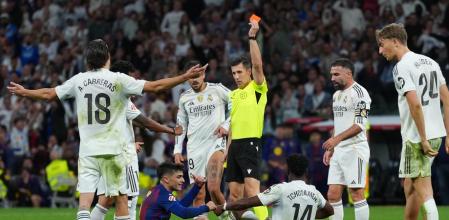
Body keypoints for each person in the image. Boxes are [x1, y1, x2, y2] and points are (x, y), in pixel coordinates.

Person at [7, 39, 206, 220]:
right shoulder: (118, 79)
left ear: (87, 61)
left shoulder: (78, 80)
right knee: (121, 200)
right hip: (114, 151)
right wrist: (184, 76)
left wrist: (25, 92)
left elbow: (49, 94)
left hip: (88, 151)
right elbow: (155, 87)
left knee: (85, 203)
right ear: (107, 58)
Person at [90, 60, 183, 220]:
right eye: (131, 79)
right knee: (129, 200)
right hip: (123, 156)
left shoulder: (102, 96)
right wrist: (171, 130)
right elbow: (145, 122)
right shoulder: (122, 98)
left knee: (105, 200)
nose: (133, 83)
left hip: (104, 154)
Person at [376, 23, 449, 220]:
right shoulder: (430, 62)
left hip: (417, 137)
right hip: (436, 134)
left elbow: (415, 105)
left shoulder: (401, 67)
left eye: (382, 45)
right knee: (410, 186)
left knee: (423, 188)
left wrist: (423, 138)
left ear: (395, 41)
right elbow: (447, 98)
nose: (380, 51)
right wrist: (448, 135)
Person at [174, 60, 230, 219]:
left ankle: (226, 217)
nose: (195, 80)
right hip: (194, 148)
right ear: (186, 78)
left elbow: (237, 104)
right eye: (191, 76)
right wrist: (177, 150)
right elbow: (181, 125)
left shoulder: (217, 89)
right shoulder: (184, 98)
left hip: (215, 143)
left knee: (213, 187)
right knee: (198, 195)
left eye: (198, 76)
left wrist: (226, 124)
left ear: (204, 74)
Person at [225, 19, 268, 219]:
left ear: (249, 72)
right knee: (234, 195)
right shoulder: (233, 95)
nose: (236, 76)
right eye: (233, 73)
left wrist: (252, 37)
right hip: (234, 146)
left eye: (240, 72)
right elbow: (232, 125)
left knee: (252, 192)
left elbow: (258, 64)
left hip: (251, 143)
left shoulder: (257, 88)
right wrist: (227, 149)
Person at [322, 58, 371, 220]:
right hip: (340, 150)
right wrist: (332, 147)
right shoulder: (336, 95)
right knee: (333, 194)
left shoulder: (360, 93)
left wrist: (336, 140)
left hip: (355, 149)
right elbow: (339, 124)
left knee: (356, 193)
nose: (332, 78)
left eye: (336, 74)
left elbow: (360, 125)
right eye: (331, 74)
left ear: (349, 73)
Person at [215, 154, 334, 220]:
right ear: (306, 172)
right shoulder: (314, 192)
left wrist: (225, 206)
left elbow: (248, 203)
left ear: (289, 171)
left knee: (241, 211)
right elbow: (330, 210)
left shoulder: (282, 189)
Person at [139, 162, 216, 220]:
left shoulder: (158, 190)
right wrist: (206, 207)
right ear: (166, 179)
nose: (183, 180)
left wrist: (197, 187)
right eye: (179, 177)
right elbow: (184, 213)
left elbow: (180, 206)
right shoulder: (163, 195)